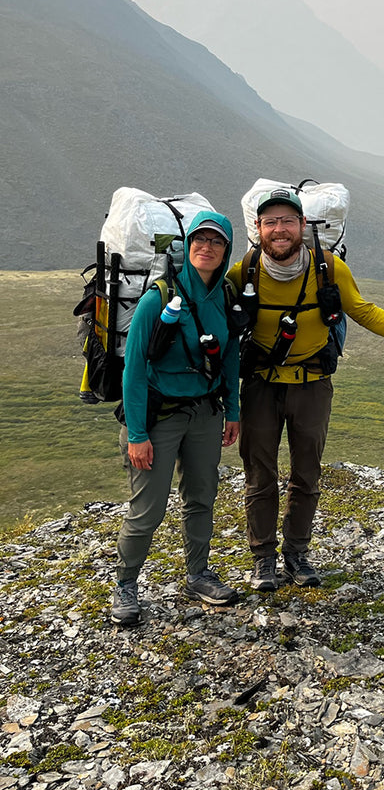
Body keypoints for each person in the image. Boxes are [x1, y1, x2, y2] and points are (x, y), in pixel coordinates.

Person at [228, 187, 384, 591]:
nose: (280, 230)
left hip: (313, 386)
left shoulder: (328, 268)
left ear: (303, 226)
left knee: (306, 474)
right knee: (259, 475)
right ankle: (263, 559)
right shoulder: (244, 272)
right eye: (271, 222)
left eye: (288, 221)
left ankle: (296, 554)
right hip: (260, 387)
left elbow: (363, 311)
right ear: (258, 229)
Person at [111, 210, 242, 626]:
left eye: (216, 241)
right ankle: (126, 584)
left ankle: (198, 575)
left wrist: (233, 411)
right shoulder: (158, 297)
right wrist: (136, 433)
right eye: (199, 240)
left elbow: (231, 358)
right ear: (187, 247)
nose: (207, 247)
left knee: (201, 498)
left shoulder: (226, 298)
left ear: (226, 251)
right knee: (147, 510)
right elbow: (132, 370)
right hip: (159, 418)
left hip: (205, 413)